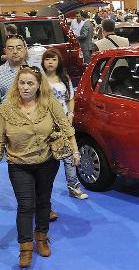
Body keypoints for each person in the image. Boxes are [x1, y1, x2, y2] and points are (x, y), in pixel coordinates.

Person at [0, 66, 79, 267]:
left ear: (38, 85)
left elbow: (66, 126)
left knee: (43, 201)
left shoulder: (48, 103)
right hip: (19, 164)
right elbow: (0, 139)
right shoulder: (6, 108)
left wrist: (75, 151)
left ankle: (41, 237)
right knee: (26, 205)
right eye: (21, 83)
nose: (25, 87)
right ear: (16, 84)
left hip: (47, 162)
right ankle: (25, 248)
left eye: (30, 83)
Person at [41, 48, 88, 200]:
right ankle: (44, 194)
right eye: (47, 59)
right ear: (43, 61)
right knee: (48, 161)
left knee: (70, 156)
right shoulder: (39, 79)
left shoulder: (64, 78)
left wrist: (71, 114)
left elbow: (70, 99)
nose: (50, 62)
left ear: (58, 61)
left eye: (53, 59)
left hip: (63, 121)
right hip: (45, 124)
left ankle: (74, 188)